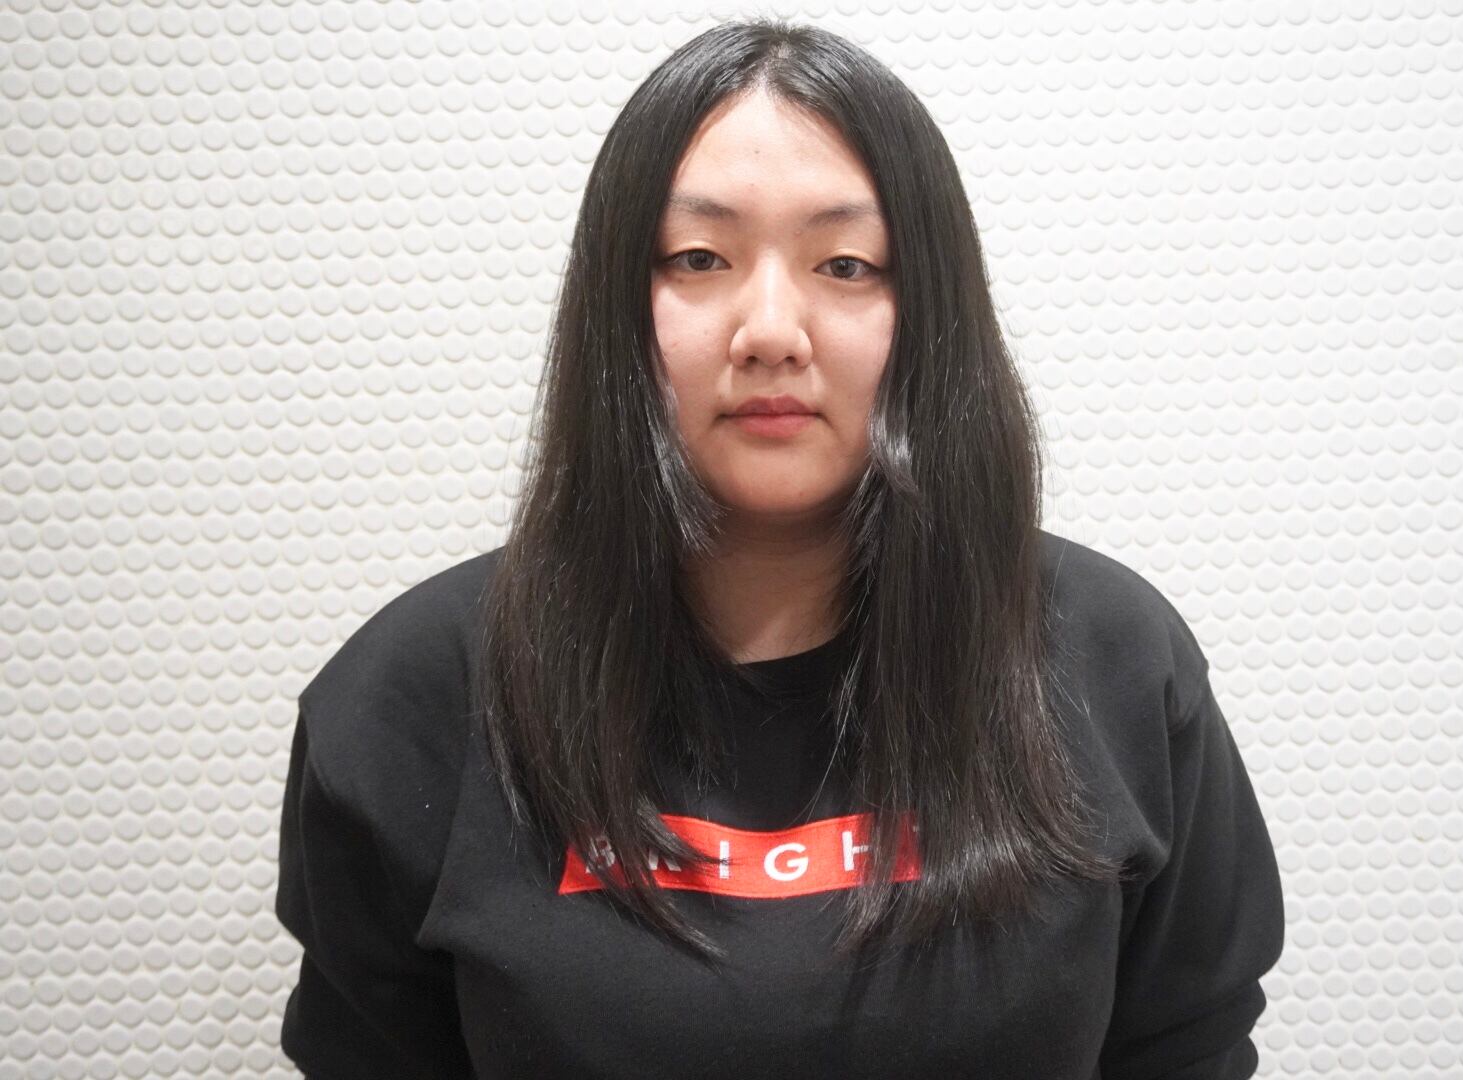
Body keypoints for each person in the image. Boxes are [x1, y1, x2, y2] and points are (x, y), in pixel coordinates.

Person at [274, 17, 1285, 1080]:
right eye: (698, 258)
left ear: (929, 310)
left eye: (846, 264)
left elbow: (1188, 1048)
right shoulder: (411, 700)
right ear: (613, 303)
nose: (769, 330)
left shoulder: (1114, 661)